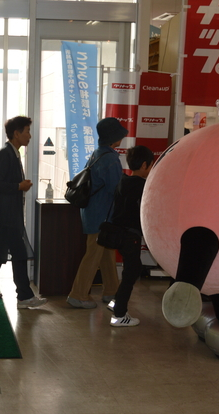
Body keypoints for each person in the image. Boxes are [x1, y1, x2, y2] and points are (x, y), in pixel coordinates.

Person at [0, 116, 47, 308]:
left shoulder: (12, 153)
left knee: (0, 252)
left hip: (7, 214)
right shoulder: (5, 155)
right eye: (27, 131)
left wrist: (19, 186)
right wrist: (18, 186)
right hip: (4, 215)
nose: (30, 136)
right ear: (16, 133)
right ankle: (24, 296)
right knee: (19, 253)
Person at [67, 117, 125, 308]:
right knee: (93, 255)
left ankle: (111, 291)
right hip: (102, 215)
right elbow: (116, 189)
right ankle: (78, 295)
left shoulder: (98, 153)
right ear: (114, 137)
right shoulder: (110, 158)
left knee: (106, 252)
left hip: (94, 213)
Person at [107, 145, 154, 326]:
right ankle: (120, 315)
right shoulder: (142, 186)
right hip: (131, 235)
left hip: (120, 233)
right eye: (151, 165)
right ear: (144, 165)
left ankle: (116, 302)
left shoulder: (124, 180)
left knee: (132, 268)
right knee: (132, 271)